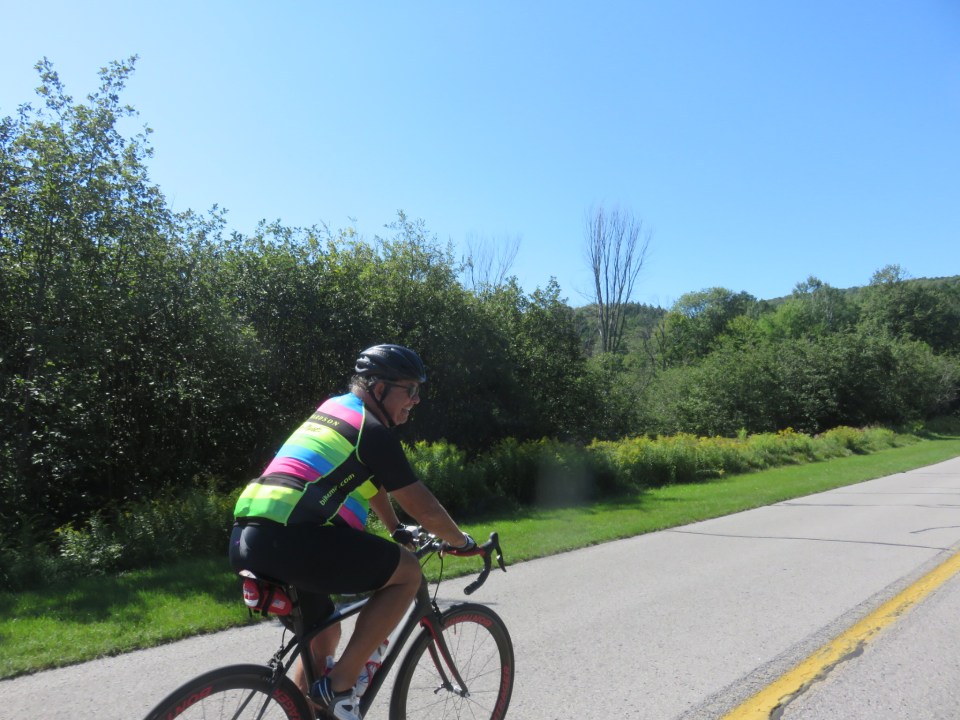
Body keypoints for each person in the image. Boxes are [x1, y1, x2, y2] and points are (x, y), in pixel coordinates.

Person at [228, 344, 474, 720]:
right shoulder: (371, 430)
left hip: (248, 536)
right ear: (380, 388)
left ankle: (310, 708)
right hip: (292, 538)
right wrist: (462, 542)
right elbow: (423, 507)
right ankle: (341, 686)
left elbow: (371, 483)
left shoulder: (334, 410)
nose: (416, 400)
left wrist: (394, 527)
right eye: (410, 389)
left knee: (323, 637)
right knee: (407, 573)